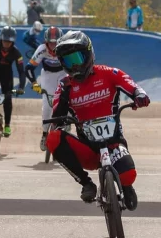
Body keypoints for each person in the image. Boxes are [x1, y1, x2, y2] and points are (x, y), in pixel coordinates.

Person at [46, 30, 150, 211]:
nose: (74, 66)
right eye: (69, 61)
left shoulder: (109, 73)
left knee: (128, 175)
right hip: (88, 151)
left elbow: (131, 84)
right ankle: (86, 183)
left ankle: (126, 187)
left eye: (77, 58)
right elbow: (56, 112)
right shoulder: (65, 84)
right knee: (53, 138)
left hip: (114, 144)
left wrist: (139, 95)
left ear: (88, 54)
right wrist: (61, 107)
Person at [25, 26, 66, 151]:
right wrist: (34, 83)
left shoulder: (65, 49)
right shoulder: (42, 49)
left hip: (63, 73)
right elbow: (28, 68)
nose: (53, 46)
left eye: (55, 43)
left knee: (67, 96)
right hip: (47, 76)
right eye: (50, 43)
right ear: (46, 42)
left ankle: (66, 119)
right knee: (47, 106)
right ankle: (44, 134)